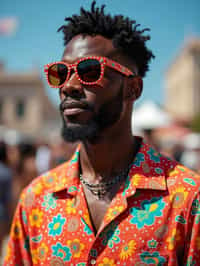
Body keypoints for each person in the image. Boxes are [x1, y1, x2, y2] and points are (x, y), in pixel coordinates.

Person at [4, 2, 200, 265]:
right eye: (60, 73)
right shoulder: (37, 200)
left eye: (88, 71)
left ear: (132, 89)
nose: (69, 86)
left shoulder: (186, 199)